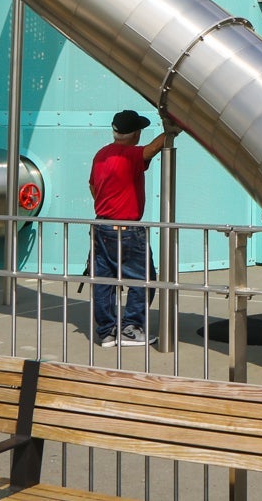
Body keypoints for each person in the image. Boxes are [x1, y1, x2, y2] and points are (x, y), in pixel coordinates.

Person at [90, 108, 170, 347]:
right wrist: (173, 130)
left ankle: (107, 332)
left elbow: (92, 186)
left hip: (101, 225)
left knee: (104, 280)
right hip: (126, 228)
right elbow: (152, 149)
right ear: (135, 133)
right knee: (144, 278)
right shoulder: (130, 155)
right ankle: (130, 329)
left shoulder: (101, 154)